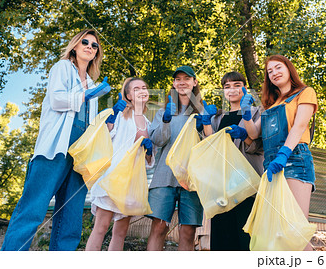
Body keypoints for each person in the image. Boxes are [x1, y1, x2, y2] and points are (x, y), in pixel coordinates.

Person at [1, 29, 125, 251]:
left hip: (79, 157)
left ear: (97, 53)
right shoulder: (62, 68)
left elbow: (91, 130)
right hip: (55, 150)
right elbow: (57, 100)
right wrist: (85, 96)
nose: (89, 46)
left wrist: (111, 116)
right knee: (33, 209)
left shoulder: (92, 83)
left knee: (70, 220)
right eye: (84, 42)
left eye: (94, 45)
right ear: (75, 46)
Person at [242, 54, 318, 251]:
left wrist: (284, 154)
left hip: (294, 159)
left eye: (278, 67)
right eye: (270, 71)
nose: (274, 73)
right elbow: (254, 133)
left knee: (296, 232)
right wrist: (246, 114)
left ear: (288, 69)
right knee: (278, 232)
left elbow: (300, 126)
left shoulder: (305, 92)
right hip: (272, 166)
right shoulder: (271, 104)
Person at [146, 65, 217, 251]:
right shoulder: (163, 112)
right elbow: (158, 141)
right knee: (159, 227)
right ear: (174, 84)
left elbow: (212, 146)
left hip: (192, 180)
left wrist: (206, 125)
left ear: (195, 83)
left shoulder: (204, 112)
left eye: (187, 78)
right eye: (178, 79)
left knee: (187, 232)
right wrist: (166, 121)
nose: (182, 82)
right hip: (164, 177)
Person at [85, 77, 154, 251]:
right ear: (128, 95)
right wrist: (112, 116)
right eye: (136, 88)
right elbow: (104, 137)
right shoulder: (120, 115)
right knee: (100, 228)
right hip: (112, 178)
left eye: (144, 87)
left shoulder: (149, 123)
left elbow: (148, 163)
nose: (142, 90)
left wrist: (150, 152)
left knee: (121, 232)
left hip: (132, 184)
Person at [201, 71, 264, 251]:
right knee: (222, 239)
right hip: (222, 187)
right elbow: (210, 147)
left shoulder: (257, 112)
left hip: (246, 185)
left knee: (245, 240)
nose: (232, 90)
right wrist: (206, 122)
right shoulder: (218, 118)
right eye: (227, 86)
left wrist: (246, 137)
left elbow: (259, 146)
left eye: (237, 85)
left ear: (245, 88)